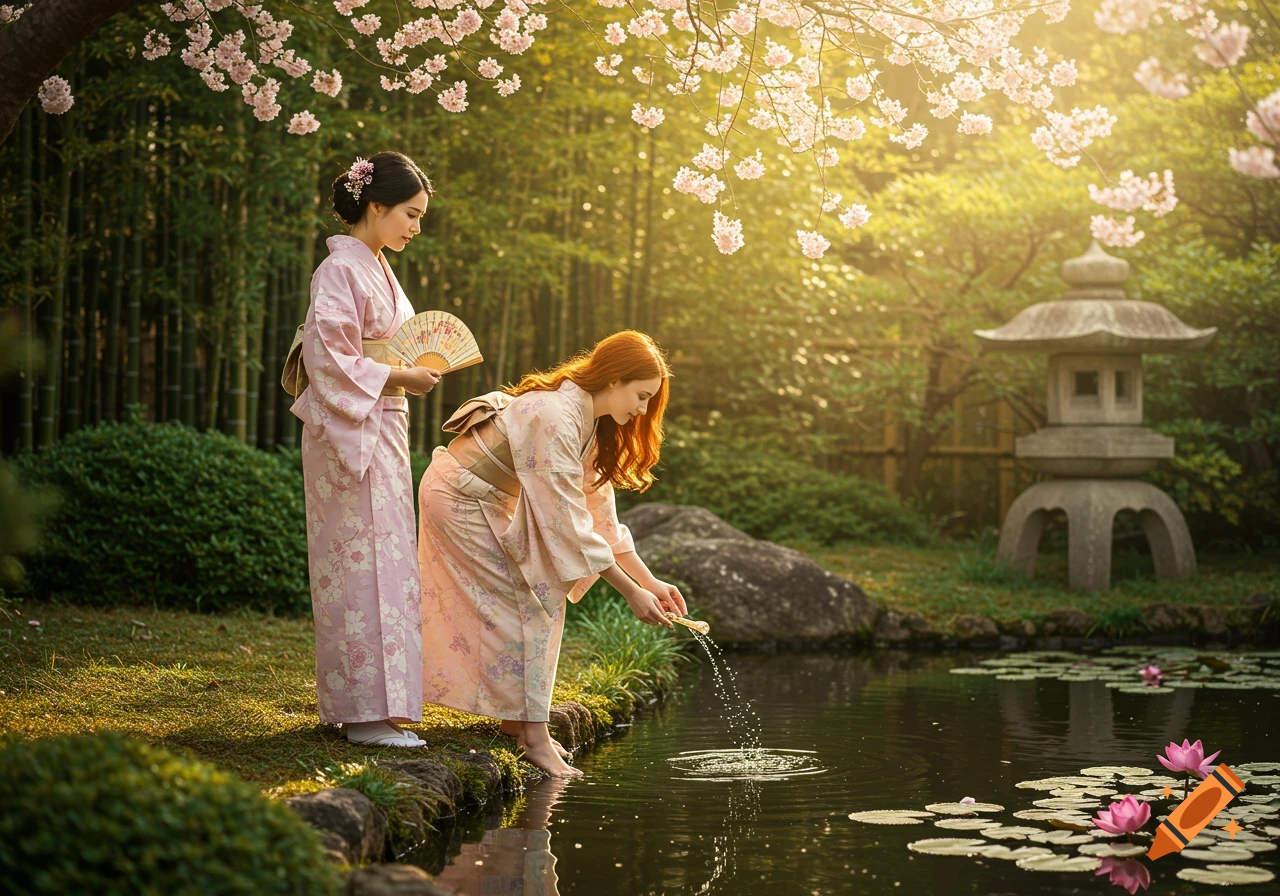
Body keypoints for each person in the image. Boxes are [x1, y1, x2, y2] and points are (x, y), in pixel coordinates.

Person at [418, 331, 687, 777]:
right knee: (530, 600)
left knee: (537, 598)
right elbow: (567, 522)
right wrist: (630, 593)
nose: (641, 410)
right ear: (614, 380)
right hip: (458, 495)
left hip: (491, 499)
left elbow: (598, 516)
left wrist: (650, 582)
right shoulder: (556, 415)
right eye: (640, 396)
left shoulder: (591, 421)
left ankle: (517, 721)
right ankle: (534, 735)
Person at [292, 151, 442, 749]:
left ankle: (385, 705)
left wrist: (402, 378)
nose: (415, 227)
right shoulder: (341, 270)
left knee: (390, 559)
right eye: (410, 213)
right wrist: (401, 378)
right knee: (358, 565)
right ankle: (362, 714)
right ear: (375, 207)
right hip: (349, 430)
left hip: (381, 423)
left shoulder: (376, 266)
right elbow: (325, 356)